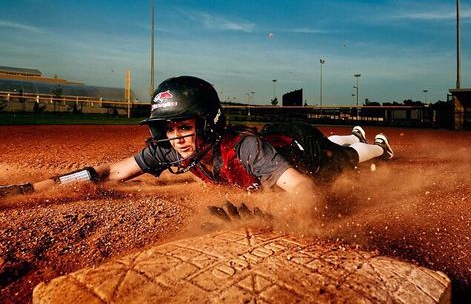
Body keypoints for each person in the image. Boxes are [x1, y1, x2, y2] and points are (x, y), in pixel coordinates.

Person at [0, 76, 394, 213]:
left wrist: (279, 217)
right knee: (340, 148)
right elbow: (110, 171)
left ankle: (373, 145)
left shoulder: (245, 149)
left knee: (343, 160)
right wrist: (32, 189)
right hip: (277, 137)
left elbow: (303, 188)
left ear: (209, 123)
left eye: (184, 126)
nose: (177, 137)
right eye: (168, 128)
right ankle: (353, 138)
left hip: (301, 148)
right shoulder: (172, 147)